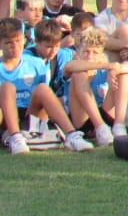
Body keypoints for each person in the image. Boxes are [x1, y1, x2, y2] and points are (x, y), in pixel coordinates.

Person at [0, 18, 93, 154]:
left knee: (43, 88)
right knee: (8, 87)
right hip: (6, 115)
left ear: (24, 39)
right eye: (9, 43)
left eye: (18, 41)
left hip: (30, 112)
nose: (15, 46)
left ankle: (71, 135)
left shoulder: (35, 63)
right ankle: (15, 137)